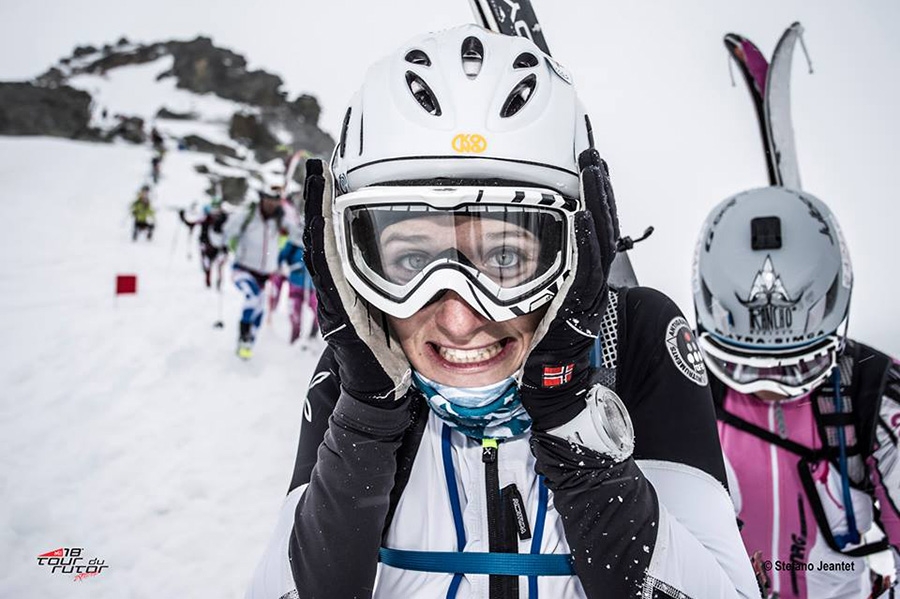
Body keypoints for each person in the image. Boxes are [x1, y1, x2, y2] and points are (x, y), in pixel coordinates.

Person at [246, 25, 758, 599]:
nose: (461, 318)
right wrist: (367, 422)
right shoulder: (363, 372)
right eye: (412, 258)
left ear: (574, 252)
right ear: (353, 262)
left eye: (507, 257)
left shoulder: (629, 341)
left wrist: (572, 417)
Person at [692, 186, 900, 598]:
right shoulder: (682, 389)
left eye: (795, 363)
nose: (770, 384)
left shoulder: (873, 397)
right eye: (745, 362)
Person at [223, 186, 296, 359]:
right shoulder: (247, 216)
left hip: (264, 276)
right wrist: (217, 234)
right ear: (262, 198)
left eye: (275, 200)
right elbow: (225, 234)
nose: (271, 203)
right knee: (253, 297)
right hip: (242, 269)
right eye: (268, 199)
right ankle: (244, 336)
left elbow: (298, 234)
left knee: (259, 310)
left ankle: (247, 347)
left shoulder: (280, 219)